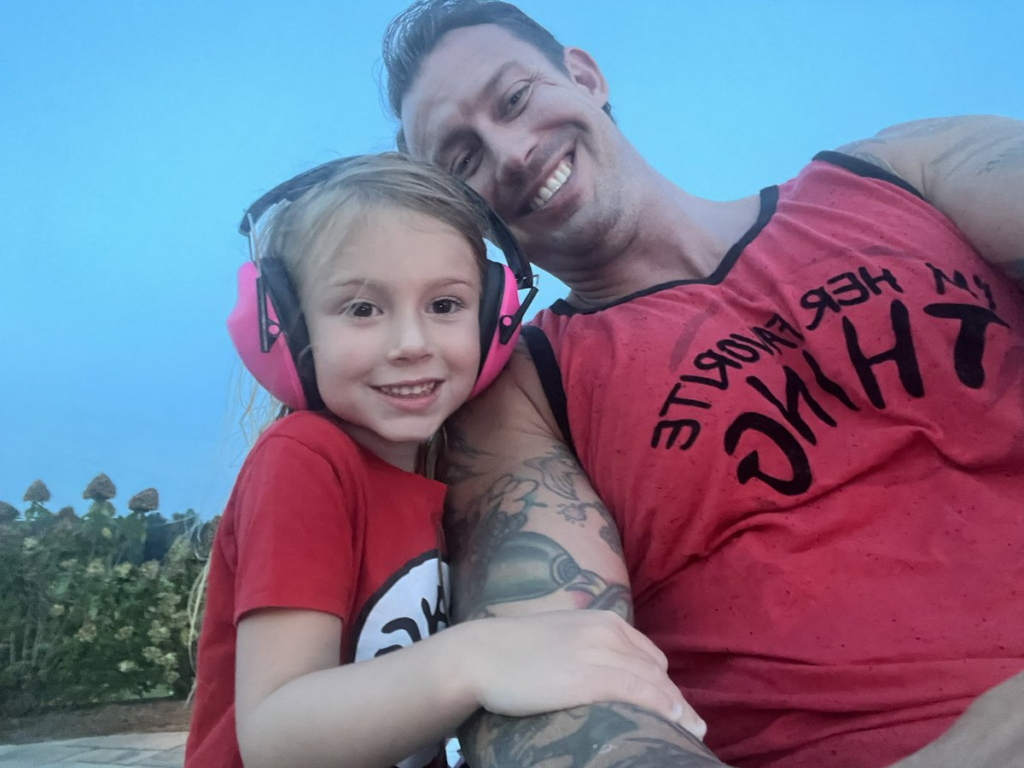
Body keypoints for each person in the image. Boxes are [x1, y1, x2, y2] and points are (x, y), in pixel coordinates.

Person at [380, 2, 1024, 766]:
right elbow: (552, 694)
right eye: (464, 160)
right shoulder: (525, 392)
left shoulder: (901, 173)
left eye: (515, 98)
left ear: (584, 76)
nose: (512, 153)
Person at [183, 153, 706, 768]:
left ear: (493, 319)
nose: (412, 343)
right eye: (362, 309)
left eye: (445, 305)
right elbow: (276, 737)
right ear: (286, 327)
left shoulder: (424, 476)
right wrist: (476, 658)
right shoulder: (304, 462)